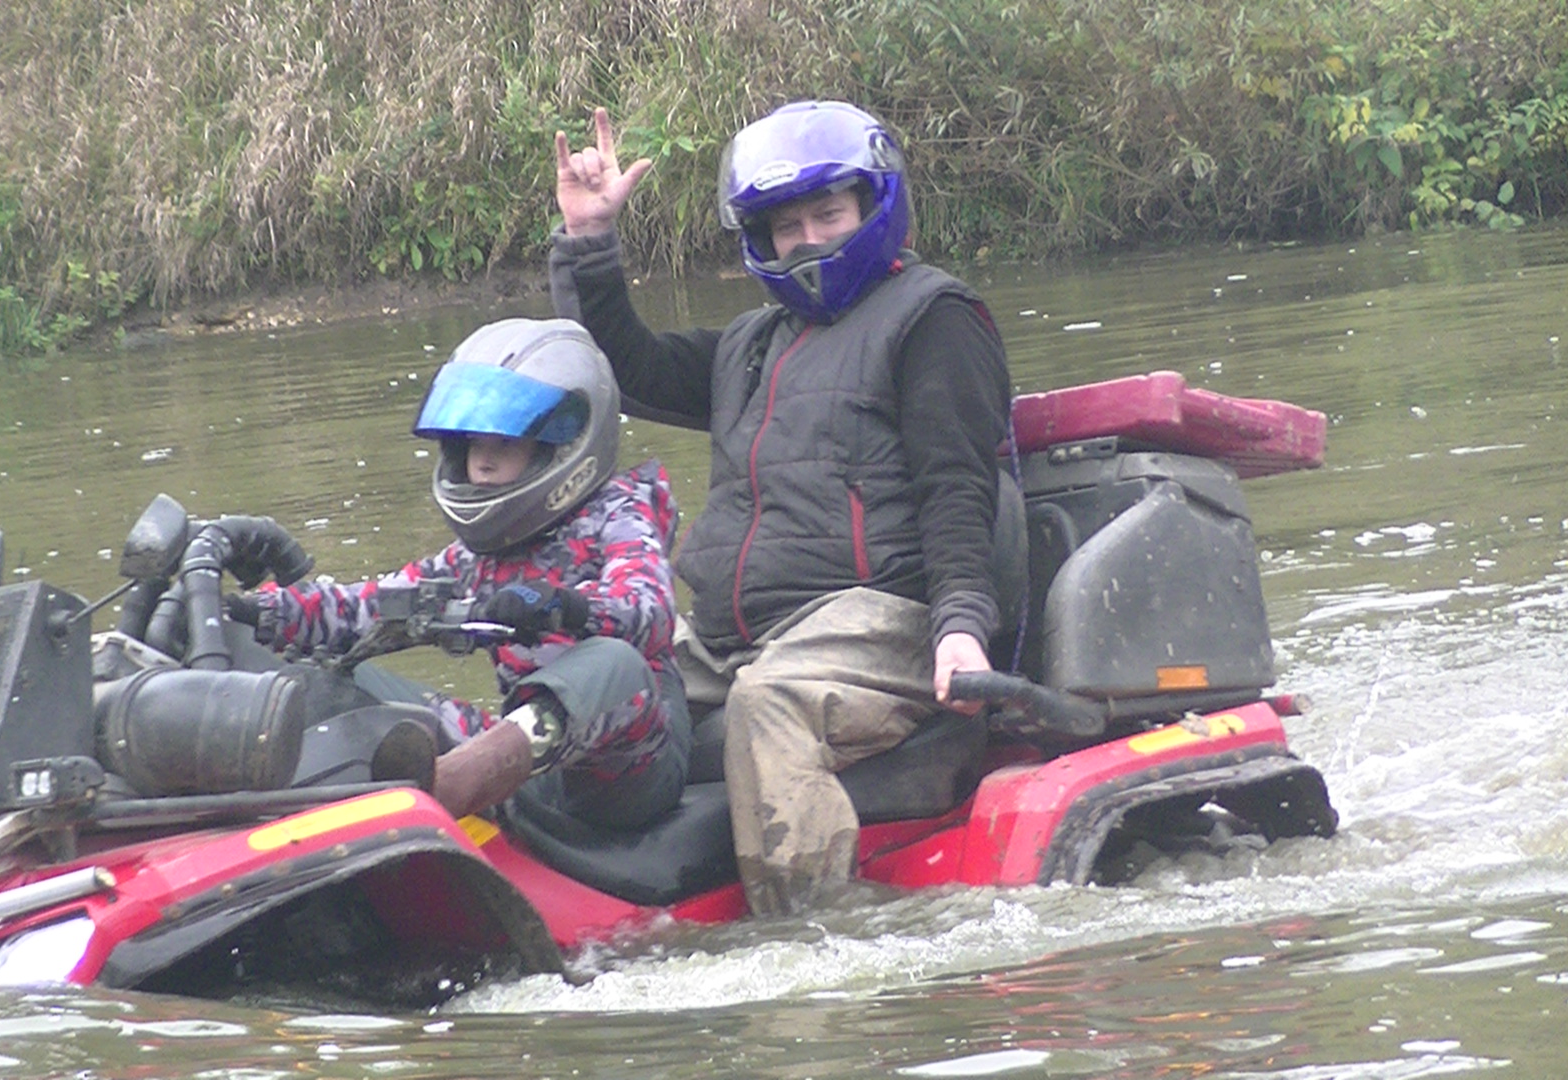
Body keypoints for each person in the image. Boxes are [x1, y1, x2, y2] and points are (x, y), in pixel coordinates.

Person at [548, 101, 1013, 913]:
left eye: (828, 215)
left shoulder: (934, 317)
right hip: (738, 636)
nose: (808, 239)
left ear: (874, 208)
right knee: (597, 679)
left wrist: (963, 627)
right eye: (787, 226)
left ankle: (808, 941)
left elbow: (958, 482)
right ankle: (552, 895)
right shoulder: (751, 344)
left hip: (882, 621)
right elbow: (627, 369)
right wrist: (589, 242)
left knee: (768, 704)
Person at [231, 317, 690, 830]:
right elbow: (367, 608)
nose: (483, 464)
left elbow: (650, 610)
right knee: (327, 678)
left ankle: (441, 791)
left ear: (556, 449)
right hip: (525, 760)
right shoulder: (476, 557)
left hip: (633, 766)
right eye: (474, 445)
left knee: (614, 660)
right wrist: (252, 612)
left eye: (504, 445)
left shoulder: (620, 513)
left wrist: (562, 605)